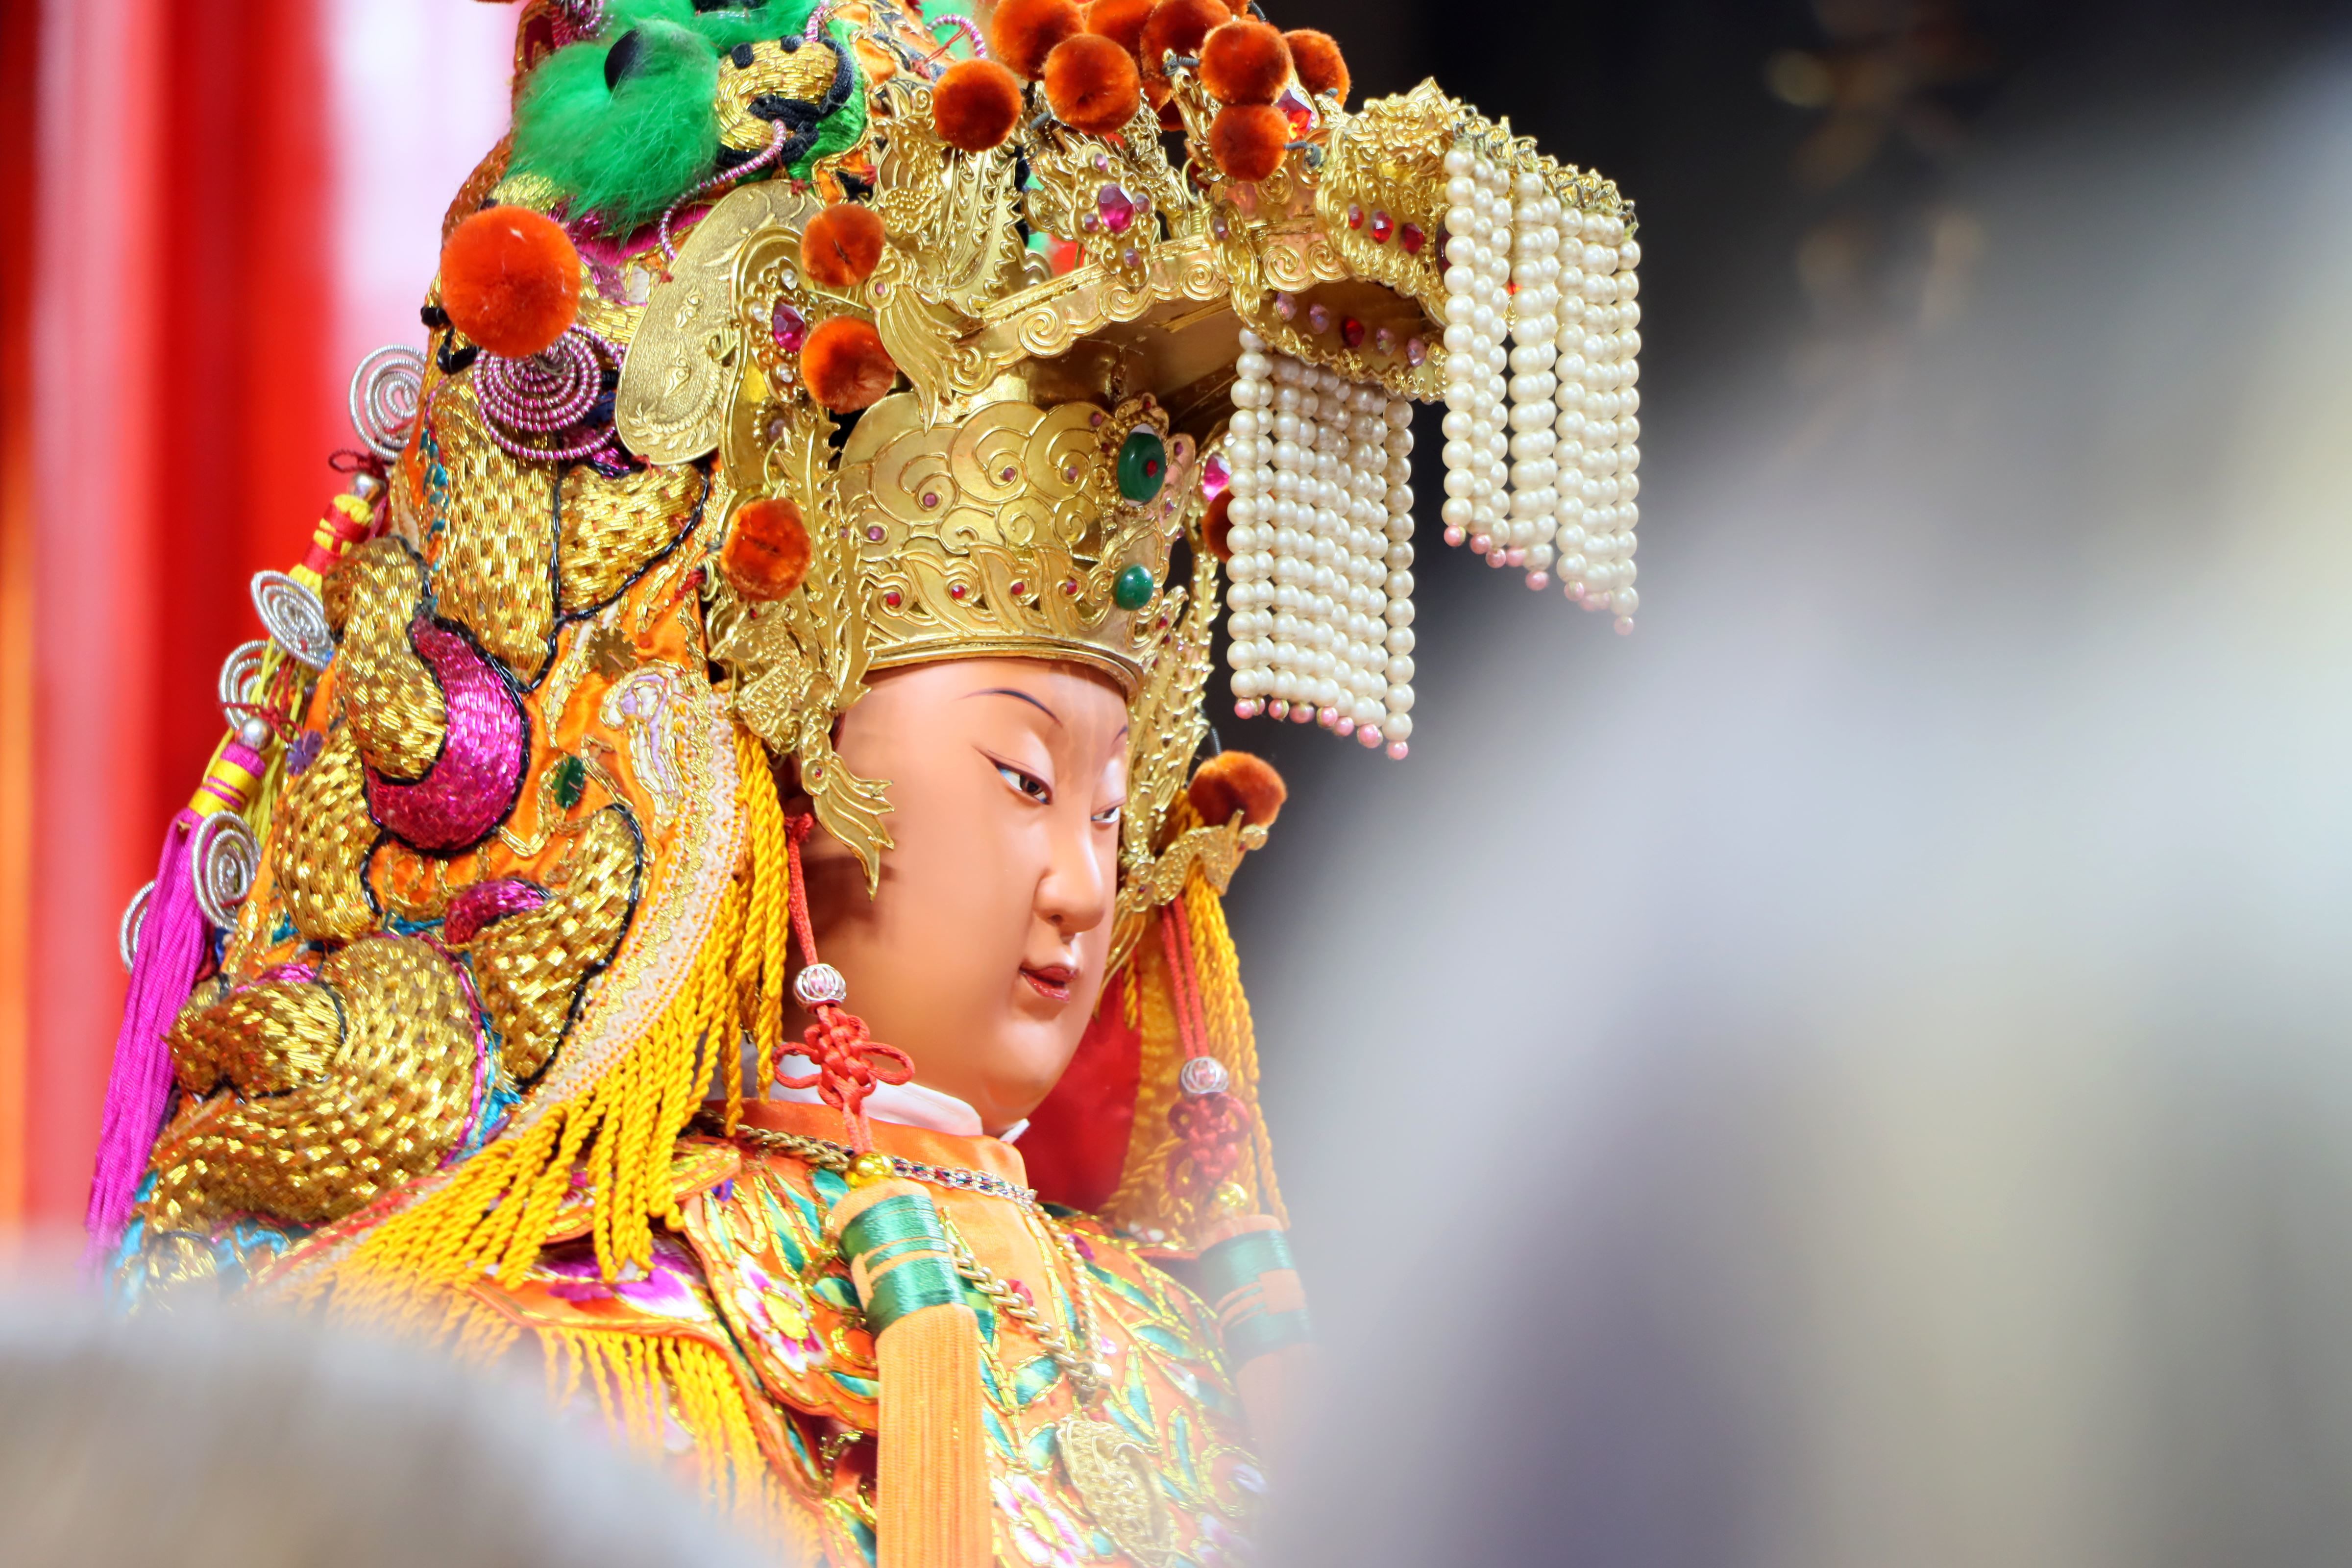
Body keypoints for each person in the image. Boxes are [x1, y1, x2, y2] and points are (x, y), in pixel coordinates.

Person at [85, 1, 1643, 1562]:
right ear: (793, 751)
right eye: (1025, 783)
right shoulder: (590, 1354)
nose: (1084, 884)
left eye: (1117, 807)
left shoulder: (1185, 1351)